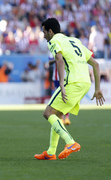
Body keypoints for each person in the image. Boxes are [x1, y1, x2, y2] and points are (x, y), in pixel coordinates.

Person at [34, 18, 105, 160]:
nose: (43, 36)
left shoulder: (54, 41)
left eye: (44, 32)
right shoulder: (75, 41)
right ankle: (51, 152)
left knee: (47, 113)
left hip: (72, 81)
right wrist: (97, 88)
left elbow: (59, 60)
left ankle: (70, 142)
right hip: (85, 83)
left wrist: (61, 83)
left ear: (50, 31)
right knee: (57, 115)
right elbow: (96, 64)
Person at [48, 52, 71, 125]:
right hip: (56, 78)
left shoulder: (65, 49)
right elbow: (49, 62)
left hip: (65, 77)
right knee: (60, 98)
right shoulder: (52, 50)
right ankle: (61, 118)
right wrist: (58, 59)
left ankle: (67, 117)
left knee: (66, 97)